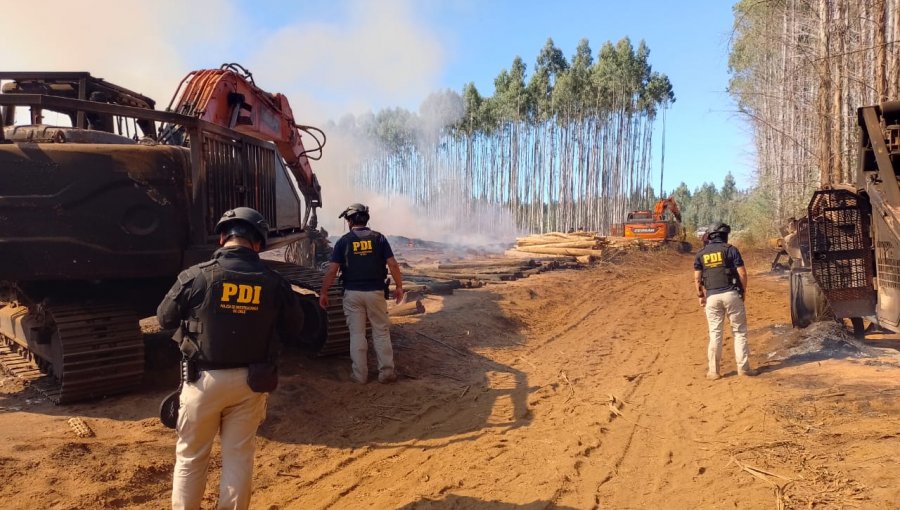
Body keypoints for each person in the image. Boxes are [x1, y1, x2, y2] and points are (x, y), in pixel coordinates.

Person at [157, 206, 302, 510]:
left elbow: (164, 317)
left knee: (191, 457)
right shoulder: (274, 282)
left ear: (222, 237)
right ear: (259, 243)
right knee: (238, 458)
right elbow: (296, 327)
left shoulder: (196, 276)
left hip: (201, 382)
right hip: (252, 383)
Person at [319, 203, 404, 384]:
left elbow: (333, 270)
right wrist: (399, 286)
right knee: (380, 332)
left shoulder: (343, 241)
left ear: (350, 220)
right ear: (366, 219)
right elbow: (393, 264)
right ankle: (387, 372)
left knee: (357, 335)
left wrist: (324, 292)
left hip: (352, 294)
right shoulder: (379, 239)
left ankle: (360, 375)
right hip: (375, 292)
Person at [693, 222, 758, 380]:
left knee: (715, 334)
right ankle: (743, 369)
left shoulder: (701, 254)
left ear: (710, 236)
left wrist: (701, 296)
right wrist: (742, 292)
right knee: (739, 332)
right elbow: (742, 274)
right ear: (725, 235)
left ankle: (713, 372)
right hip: (731, 294)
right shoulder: (731, 250)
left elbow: (697, 278)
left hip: (712, 297)